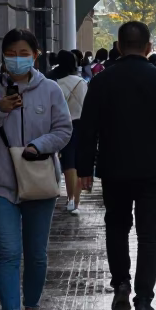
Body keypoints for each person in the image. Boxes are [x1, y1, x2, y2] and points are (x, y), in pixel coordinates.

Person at [77, 21, 156, 310]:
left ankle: (121, 284)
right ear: (149, 47)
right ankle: (144, 302)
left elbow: (88, 129)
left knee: (116, 227)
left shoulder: (102, 80)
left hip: (114, 168)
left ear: (118, 46)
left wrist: (84, 168)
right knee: (149, 235)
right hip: (154, 169)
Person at [0, 29, 73, 310]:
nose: (17, 59)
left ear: (36, 55)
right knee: (8, 252)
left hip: (38, 181)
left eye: (23, 53)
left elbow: (63, 129)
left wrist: (39, 145)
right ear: (3, 55)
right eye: (11, 53)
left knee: (36, 254)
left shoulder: (49, 89)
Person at [49, 51, 88, 214]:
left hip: (63, 125)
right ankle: (75, 201)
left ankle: (70, 198)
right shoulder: (81, 82)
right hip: (80, 124)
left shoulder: (55, 82)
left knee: (68, 163)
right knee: (77, 163)